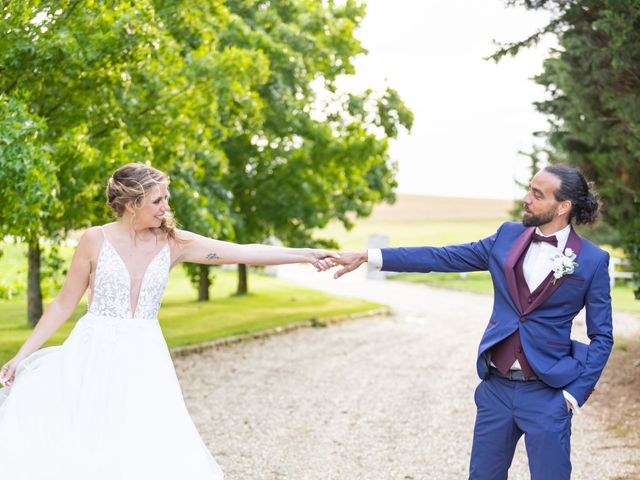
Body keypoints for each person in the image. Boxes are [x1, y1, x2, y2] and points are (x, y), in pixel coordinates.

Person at [0, 162, 338, 480]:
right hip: (93, 353)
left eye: (166, 199)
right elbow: (62, 304)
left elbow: (243, 251)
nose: (166, 208)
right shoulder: (94, 240)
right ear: (131, 204)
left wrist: (306, 255)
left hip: (145, 356)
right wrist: (23, 354)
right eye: (158, 200)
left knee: (145, 442)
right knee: (88, 437)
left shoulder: (174, 243)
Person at [333, 165, 614, 479]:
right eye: (528, 189)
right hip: (496, 390)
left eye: (537, 194)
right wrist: (368, 257)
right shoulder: (507, 237)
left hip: (548, 395)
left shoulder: (591, 260)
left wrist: (573, 396)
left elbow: (602, 337)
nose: (526, 199)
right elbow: (443, 257)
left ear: (563, 207)